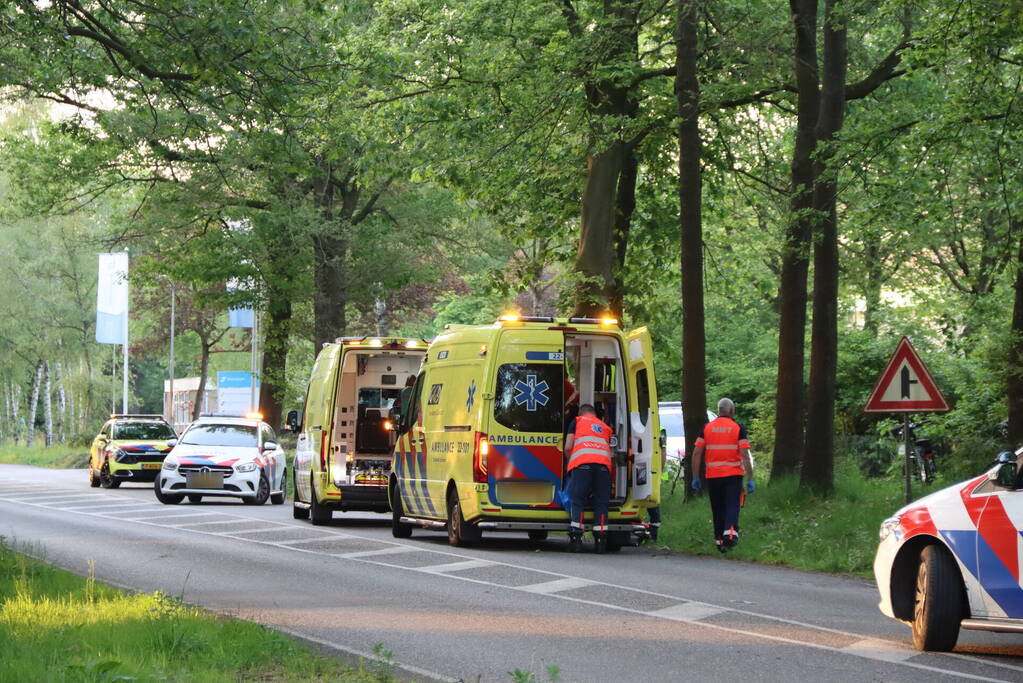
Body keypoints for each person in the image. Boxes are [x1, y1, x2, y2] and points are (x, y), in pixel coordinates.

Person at [690, 398, 754, 552]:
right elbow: (744, 454)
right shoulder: (738, 427)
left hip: (713, 476)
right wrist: (750, 478)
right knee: (732, 505)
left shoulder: (707, 428)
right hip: (733, 475)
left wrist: (695, 476)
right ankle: (730, 535)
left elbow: (697, 453)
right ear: (732, 411)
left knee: (717, 508)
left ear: (719, 411)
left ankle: (719, 541)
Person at [564, 403, 614, 553]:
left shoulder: (577, 421)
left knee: (577, 500)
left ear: (581, 412)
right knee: (601, 502)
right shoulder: (604, 426)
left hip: (582, 465)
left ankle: (576, 540)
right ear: (594, 414)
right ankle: (600, 541)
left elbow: (567, 446)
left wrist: (571, 462)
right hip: (603, 467)